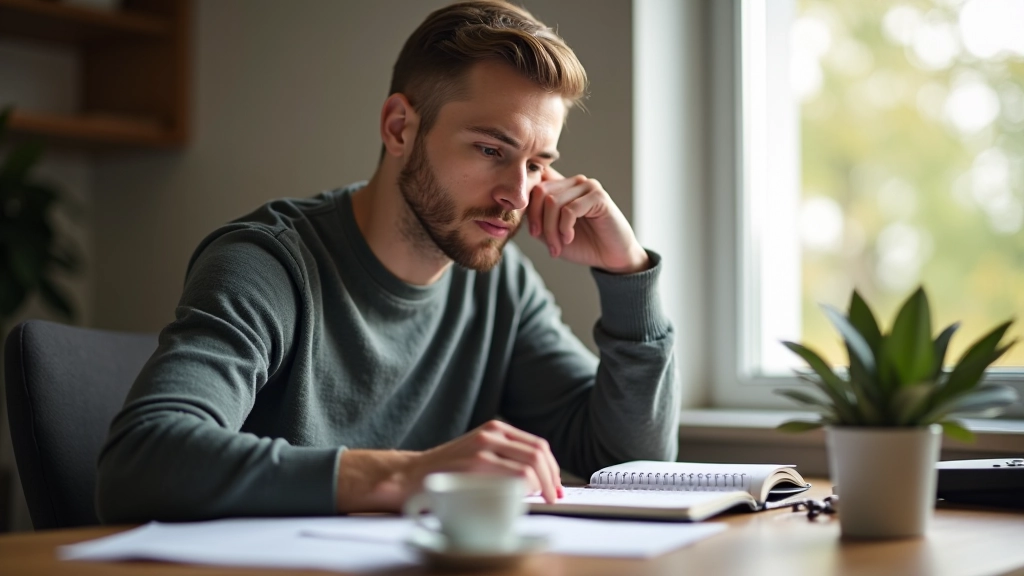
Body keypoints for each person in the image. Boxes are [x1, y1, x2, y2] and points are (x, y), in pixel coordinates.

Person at [96, 0, 678, 522]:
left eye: (535, 164)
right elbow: (142, 460)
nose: (518, 196)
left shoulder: (500, 285)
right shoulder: (267, 264)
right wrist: (406, 474)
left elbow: (628, 462)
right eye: (490, 150)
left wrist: (627, 275)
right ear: (400, 128)